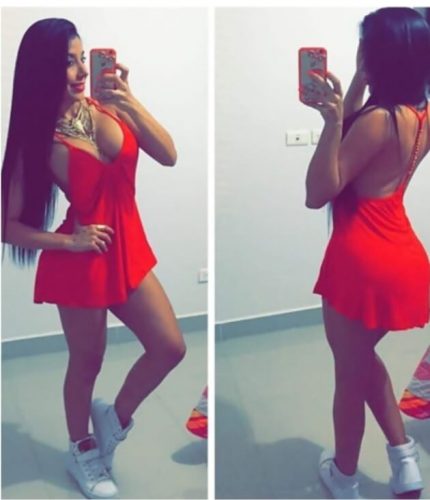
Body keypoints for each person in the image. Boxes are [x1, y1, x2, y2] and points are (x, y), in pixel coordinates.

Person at [1, 18, 186, 499]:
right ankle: (80, 449)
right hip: (82, 256)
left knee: (169, 347)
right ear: (42, 70)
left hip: (128, 247)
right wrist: (70, 242)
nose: (81, 70)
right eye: (68, 61)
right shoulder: (36, 140)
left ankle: (112, 417)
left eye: (82, 58)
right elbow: (7, 226)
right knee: (87, 361)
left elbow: (169, 154)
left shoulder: (109, 105)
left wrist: (130, 100)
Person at [302, 7, 430, 499]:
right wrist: (358, 80)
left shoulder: (378, 121)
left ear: (381, 55)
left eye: (365, 46)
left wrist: (332, 122)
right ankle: (404, 459)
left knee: (348, 377)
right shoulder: (418, 115)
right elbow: (365, 136)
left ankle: (344, 475)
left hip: (361, 261)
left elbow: (319, 191)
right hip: (403, 254)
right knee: (361, 358)